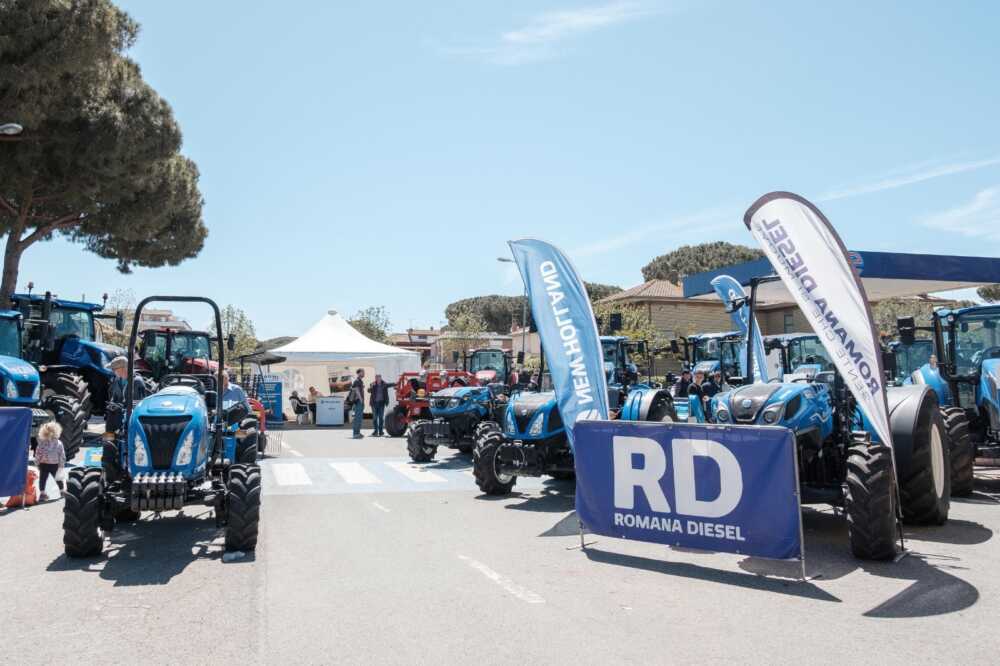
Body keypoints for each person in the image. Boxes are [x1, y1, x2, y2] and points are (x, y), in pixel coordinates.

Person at [105, 356, 147, 433]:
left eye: (114, 369)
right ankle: (109, 439)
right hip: (118, 415)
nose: (113, 371)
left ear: (122, 369)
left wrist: (122, 406)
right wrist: (112, 404)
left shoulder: (137, 381)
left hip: (130, 418)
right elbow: (114, 397)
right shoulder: (117, 380)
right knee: (110, 414)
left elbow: (139, 404)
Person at [35, 421, 66, 502]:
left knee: (43, 479)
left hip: (44, 464)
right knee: (58, 478)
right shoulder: (59, 443)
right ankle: (62, 491)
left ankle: (42, 494)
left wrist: (37, 463)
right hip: (55, 464)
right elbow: (62, 455)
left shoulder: (42, 442)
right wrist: (61, 464)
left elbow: (38, 453)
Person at [349, 368, 365, 438]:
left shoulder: (360, 381)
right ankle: (355, 433)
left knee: (359, 418)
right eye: (362, 372)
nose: (364, 373)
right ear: (359, 373)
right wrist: (361, 400)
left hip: (360, 402)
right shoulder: (357, 381)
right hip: (358, 402)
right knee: (357, 418)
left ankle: (358, 432)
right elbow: (357, 390)